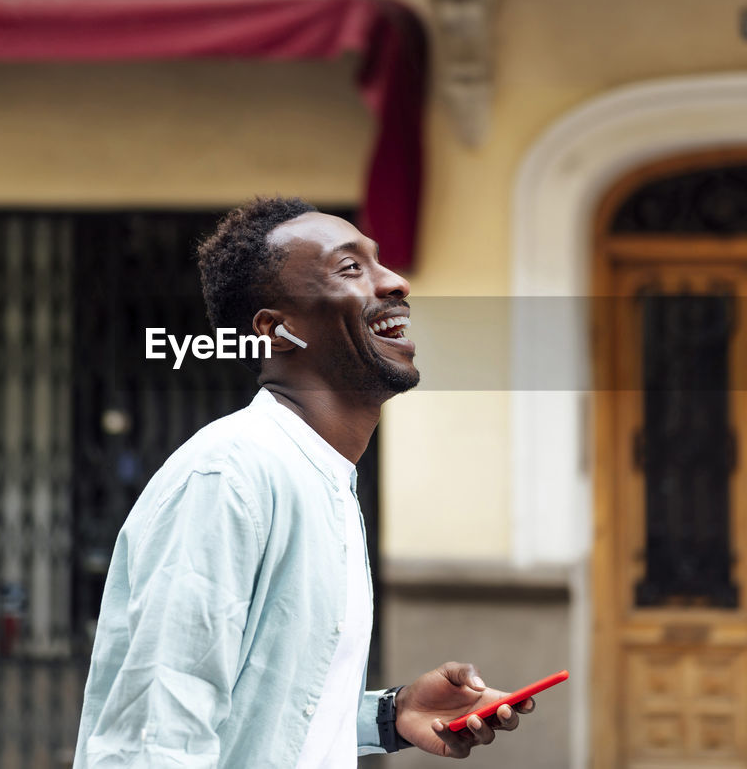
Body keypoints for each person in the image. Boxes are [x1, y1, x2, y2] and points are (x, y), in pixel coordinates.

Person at [73, 196, 535, 767]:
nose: (395, 282)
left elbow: (267, 708)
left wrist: (391, 715)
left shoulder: (321, 478)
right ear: (277, 330)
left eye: (378, 261)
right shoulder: (231, 477)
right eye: (350, 268)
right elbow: (154, 736)